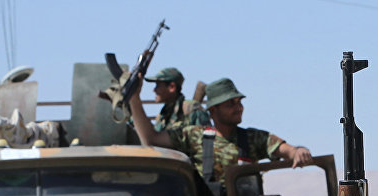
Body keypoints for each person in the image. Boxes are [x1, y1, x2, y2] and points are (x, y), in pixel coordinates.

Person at [130, 76, 312, 185]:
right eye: (231, 104)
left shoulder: (252, 138)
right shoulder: (195, 136)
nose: (238, 107)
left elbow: (287, 150)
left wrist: (298, 151)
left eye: (240, 102)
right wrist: (134, 98)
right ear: (213, 110)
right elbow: (151, 139)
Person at [143, 67, 209, 131]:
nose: (154, 90)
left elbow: (208, 140)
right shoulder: (162, 116)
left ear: (172, 87)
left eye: (158, 86)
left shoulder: (193, 110)